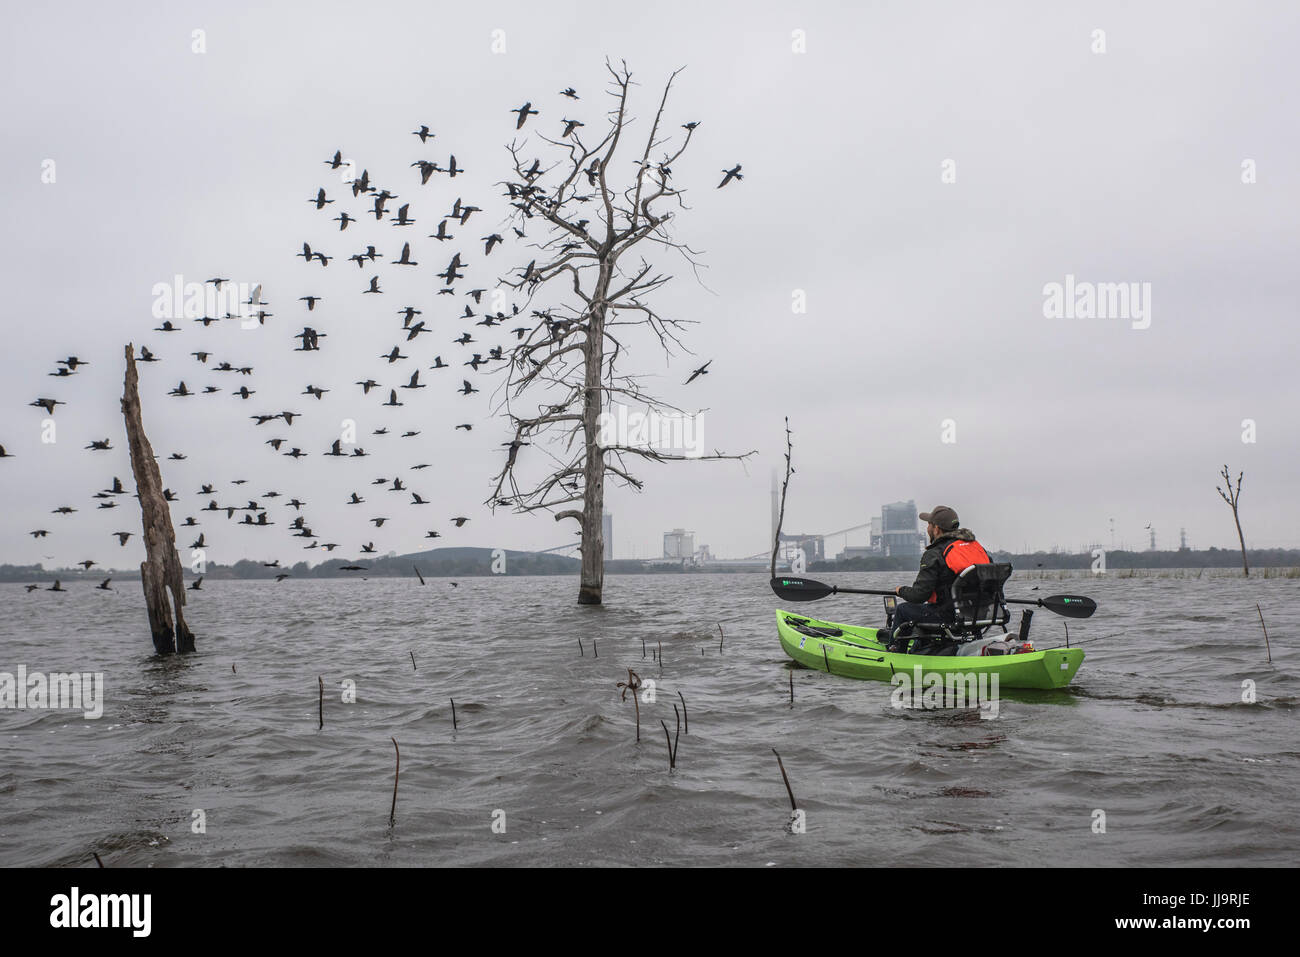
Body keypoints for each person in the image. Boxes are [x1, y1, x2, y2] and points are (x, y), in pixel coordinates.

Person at [878, 505, 990, 653]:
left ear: (936, 529)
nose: (927, 528)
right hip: (979, 615)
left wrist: (901, 590)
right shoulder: (976, 548)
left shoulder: (935, 553)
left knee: (903, 610)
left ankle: (895, 652)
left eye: (929, 524)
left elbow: (919, 596)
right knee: (928, 611)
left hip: (949, 618)